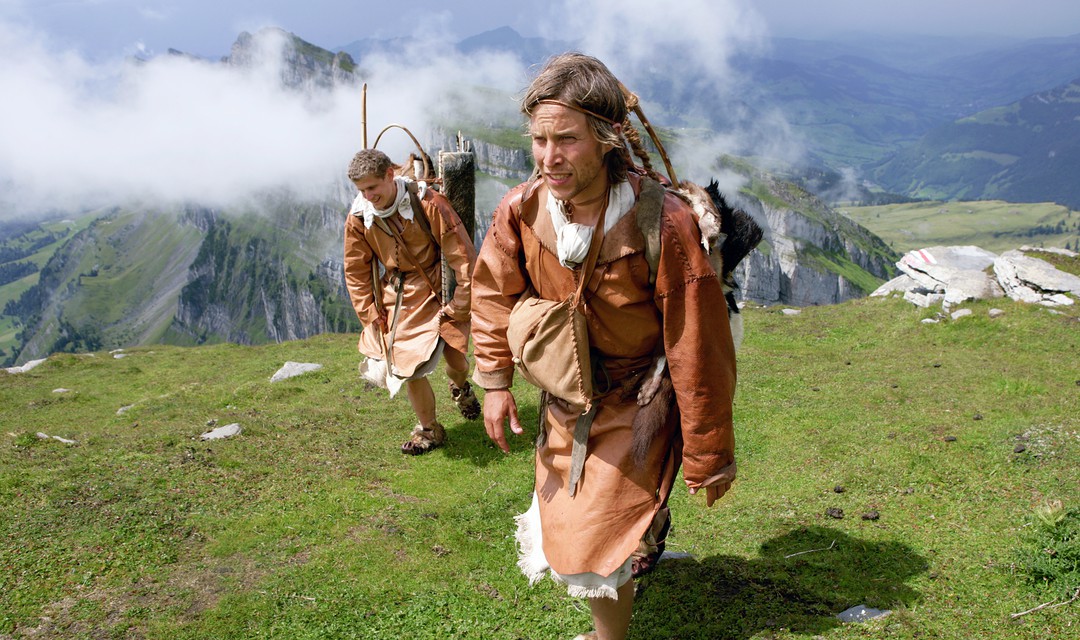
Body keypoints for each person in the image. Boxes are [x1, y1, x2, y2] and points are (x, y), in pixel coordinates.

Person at [470, 53, 738, 640]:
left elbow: (698, 344)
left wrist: (709, 453)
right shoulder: (521, 209)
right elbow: (491, 293)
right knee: (572, 521)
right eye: (539, 140)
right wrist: (494, 383)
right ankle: (639, 539)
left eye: (567, 139)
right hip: (566, 397)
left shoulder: (662, 223)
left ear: (607, 138)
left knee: (593, 537)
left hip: (639, 400)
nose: (549, 157)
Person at [343, 148, 480, 455]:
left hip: (439, 287)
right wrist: (369, 312)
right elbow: (356, 270)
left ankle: (460, 386)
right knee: (408, 367)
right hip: (398, 296)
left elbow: (460, 253)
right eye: (362, 190)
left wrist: (461, 300)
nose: (368, 196)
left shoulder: (428, 202)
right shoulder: (359, 218)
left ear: (390, 175)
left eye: (372, 187)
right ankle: (429, 430)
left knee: (457, 362)